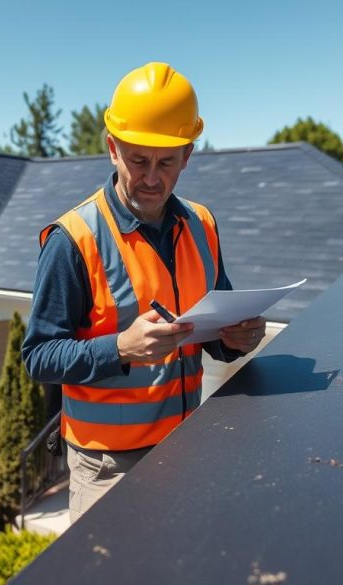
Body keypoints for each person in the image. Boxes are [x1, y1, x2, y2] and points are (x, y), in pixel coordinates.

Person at [21, 62, 267, 523]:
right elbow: (38, 356)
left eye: (166, 162)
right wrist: (120, 348)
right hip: (107, 467)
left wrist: (234, 340)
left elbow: (211, 327)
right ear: (113, 148)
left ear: (188, 156)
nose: (152, 178)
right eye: (138, 160)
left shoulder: (203, 226)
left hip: (184, 447)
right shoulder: (74, 239)